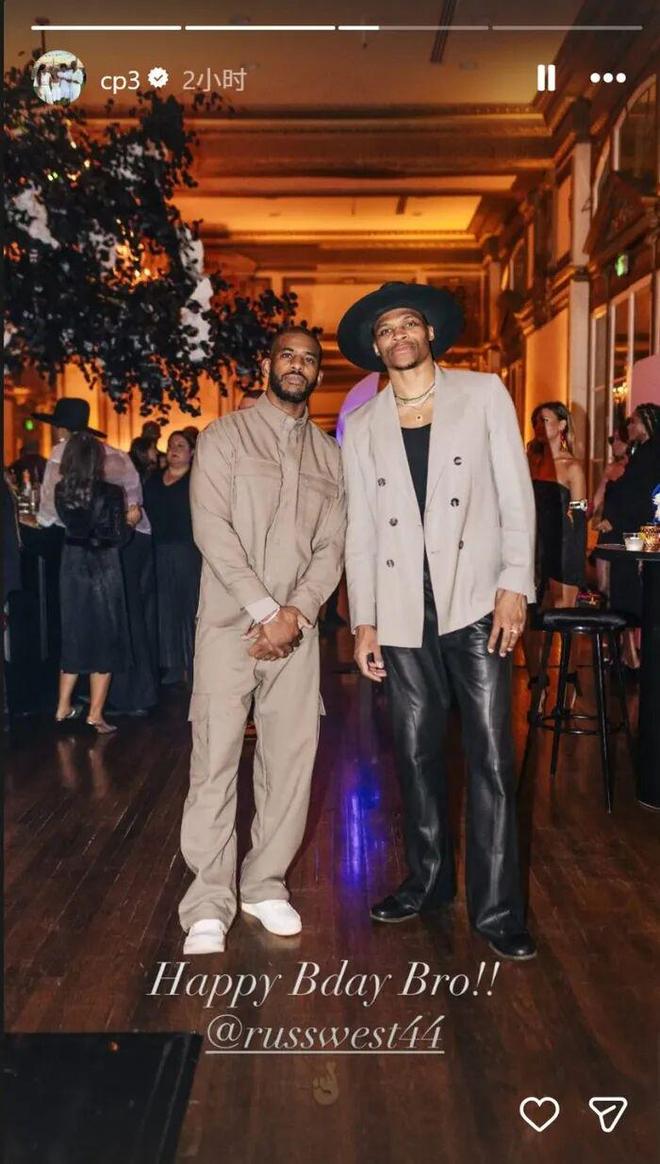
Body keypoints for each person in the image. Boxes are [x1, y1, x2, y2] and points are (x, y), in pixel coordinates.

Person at [339, 282, 536, 962]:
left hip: (476, 599)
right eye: (385, 330)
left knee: (491, 756)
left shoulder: (482, 394)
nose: (398, 336)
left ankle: (499, 909)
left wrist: (515, 583)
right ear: (376, 347)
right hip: (402, 608)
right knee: (415, 752)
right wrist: (364, 619)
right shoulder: (363, 423)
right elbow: (360, 529)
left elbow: (515, 494)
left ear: (428, 334)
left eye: (407, 324)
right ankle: (427, 882)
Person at [179, 325, 346, 956]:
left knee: (290, 759)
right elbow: (211, 529)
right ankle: (207, 900)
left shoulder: (331, 456)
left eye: (309, 359)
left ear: (317, 373)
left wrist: (294, 614)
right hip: (229, 627)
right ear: (267, 364)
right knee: (215, 759)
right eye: (287, 355)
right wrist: (265, 609)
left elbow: (333, 547)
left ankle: (264, 883)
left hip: (296, 633)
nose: (298, 365)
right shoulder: (223, 437)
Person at [34, 397, 158, 717]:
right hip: (133, 538)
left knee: (89, 622)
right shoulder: (113, 452)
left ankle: (81, 702)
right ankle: (134, 696)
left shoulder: (62, 453)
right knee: (126, 616)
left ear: (61, 429)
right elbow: (134, 501)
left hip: (99, 546)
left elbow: (49, 513)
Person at [54, 432, 131, 733]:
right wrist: (131, 520)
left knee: (74, 633)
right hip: (102, 567)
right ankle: (95, 714)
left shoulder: (61, 490)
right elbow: (117, 536)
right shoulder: (111, 492)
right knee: (105, 639)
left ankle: (62, 706)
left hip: (72, 564)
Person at [600, 402, 660, 667]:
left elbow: (641, 496)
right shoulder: (644, 453)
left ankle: (636, 657)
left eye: (633, 421)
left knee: (637, 586)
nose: (629, 427)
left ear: (646, 424)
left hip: (644, 531)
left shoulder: (650, 454)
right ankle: (631, 654)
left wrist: (613, 518)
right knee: (630, 586)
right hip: (638, 530)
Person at [143, 430, 201, 686]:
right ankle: (172, 665)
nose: (174, 449)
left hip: (187, 551)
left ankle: (193, 664)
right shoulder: (154, 479)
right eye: (171, 445)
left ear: (191, 452)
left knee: (188, 608)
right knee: (164, 609)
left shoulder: (196, 480)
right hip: (158, 550)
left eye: (180, 445)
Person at [590, 423, 630, 596]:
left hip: (626, 530)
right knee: (602, 586)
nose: (613, 444)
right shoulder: (610, 468)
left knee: (623, 585)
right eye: (611, 440)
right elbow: (597, 498)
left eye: (618, 439)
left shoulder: (638, 470)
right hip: (606, 531)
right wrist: (577, 513)